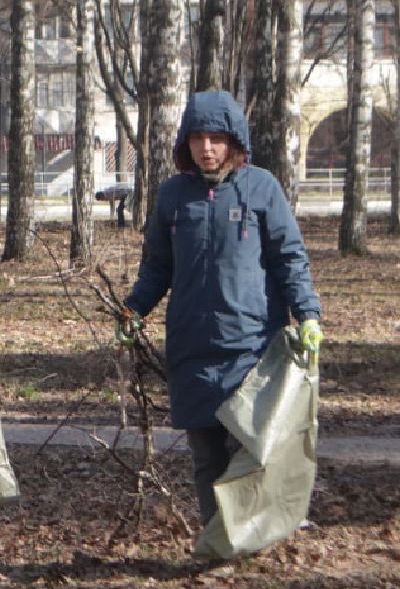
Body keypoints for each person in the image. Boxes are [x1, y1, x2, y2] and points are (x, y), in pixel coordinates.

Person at [116, 90, 324, 538]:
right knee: (206, 453)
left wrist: (307, 314)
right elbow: (158, 266)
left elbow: (290, 257)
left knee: (248, 448)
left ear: (233, 142)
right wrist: (134, 308)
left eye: (215, 138)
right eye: (197, 138)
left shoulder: (262, 188)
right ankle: (219, 537)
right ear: (185, 143)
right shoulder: (173, 196)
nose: (206, 148)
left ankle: (251, 533)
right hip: (192, 347)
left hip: (252, 346)